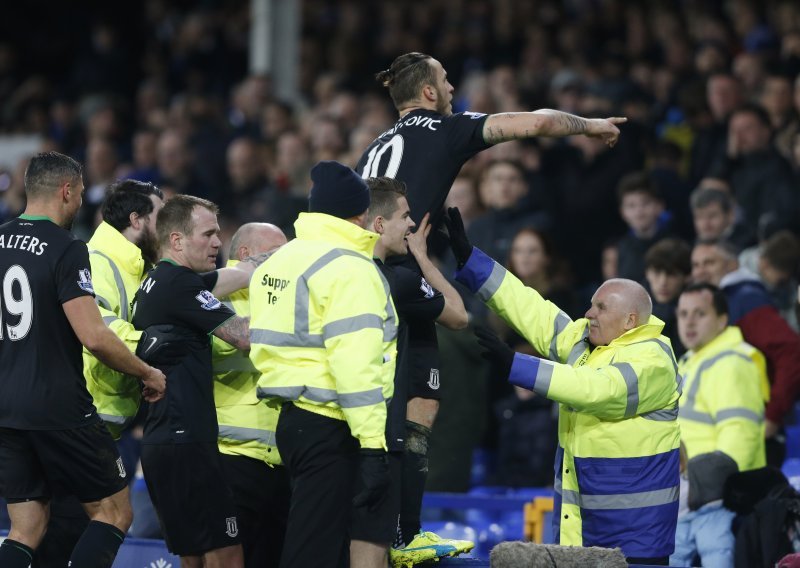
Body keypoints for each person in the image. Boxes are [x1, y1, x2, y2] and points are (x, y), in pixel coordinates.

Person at [356, 51, 625, 551]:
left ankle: (389, 533)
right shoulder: (446, 128)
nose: (454, 87)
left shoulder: (374, 145)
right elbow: (539, 121)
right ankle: (397, 534)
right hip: (395, 277)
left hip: (360, 277)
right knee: (407, 410)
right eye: (446, 79)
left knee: (416, 404)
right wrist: (590, 125)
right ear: (430, 93)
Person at [444, 208, 681, 564]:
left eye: (600, 308)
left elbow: (596, 390)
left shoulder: (654, 359)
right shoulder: (590, 344)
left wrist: (516, 365)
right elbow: (534, 311)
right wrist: (473, 264)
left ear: (630, 321)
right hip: (582, 532)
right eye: (591, 305)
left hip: (635, 541)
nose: (589, 314)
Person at [0, 151, 166, 568]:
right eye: (76, 198)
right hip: (60, 405)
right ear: (67, 191)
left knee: (27, 527)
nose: (78, 207)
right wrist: (146, 371)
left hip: (5, 408)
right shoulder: (67, 249)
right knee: (115, 512)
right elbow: (94, 336)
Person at [249, 161, 397, 568]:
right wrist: (372, 447)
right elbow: (356, 366)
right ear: (360, 214)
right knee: (314, 553)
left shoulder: (278, 261)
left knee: (310, 542)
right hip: (333, 425)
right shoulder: (351, 269)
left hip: (291, 423)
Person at [132, 194, 262, 568]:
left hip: (164, 441)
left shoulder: (156, 284)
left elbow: (217, 280)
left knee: (195, 559)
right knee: (228, 555)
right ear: (177, 240)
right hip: (186, 441)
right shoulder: (180, 285)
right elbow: (243, 335)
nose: (218, 242)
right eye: (208, 234)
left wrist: (260, 264)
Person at [352, 177, 469, 568]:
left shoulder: (344, 269)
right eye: (405, 217)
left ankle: (405, 535)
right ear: (379, 224)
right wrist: (421, 255)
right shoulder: (396, 279)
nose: (412, 226)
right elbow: (457, 314)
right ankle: (409, 534)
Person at [671, 283, 768, 568]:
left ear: (722, 320)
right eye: (684, 313)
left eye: (700, 313)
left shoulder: (731, 362)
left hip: (716, 500)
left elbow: (741, 432)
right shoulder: (689, 361)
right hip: (687, 496)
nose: (689, 321)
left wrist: (715, 487)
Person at [211, 222, 290, 567]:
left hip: (282, 459)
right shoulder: (212, 294)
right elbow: (239, 342)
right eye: (276, 254)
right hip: (232, 457)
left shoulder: (282, 294)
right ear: (246, 255)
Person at [691, 239, 800, 466]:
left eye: (709, 262)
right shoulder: (718, 301)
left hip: (753, 436)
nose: (700, 271)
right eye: (696, 265)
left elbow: (792, 351)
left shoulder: (745, 299)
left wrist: (772, 415)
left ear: (732, 265)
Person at [644, 238, 692, 358]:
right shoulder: (631, 307)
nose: (663, 282)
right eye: (657, 273)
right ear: (647, 274)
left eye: (671, 274)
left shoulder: (696, 308)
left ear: (686, 277)